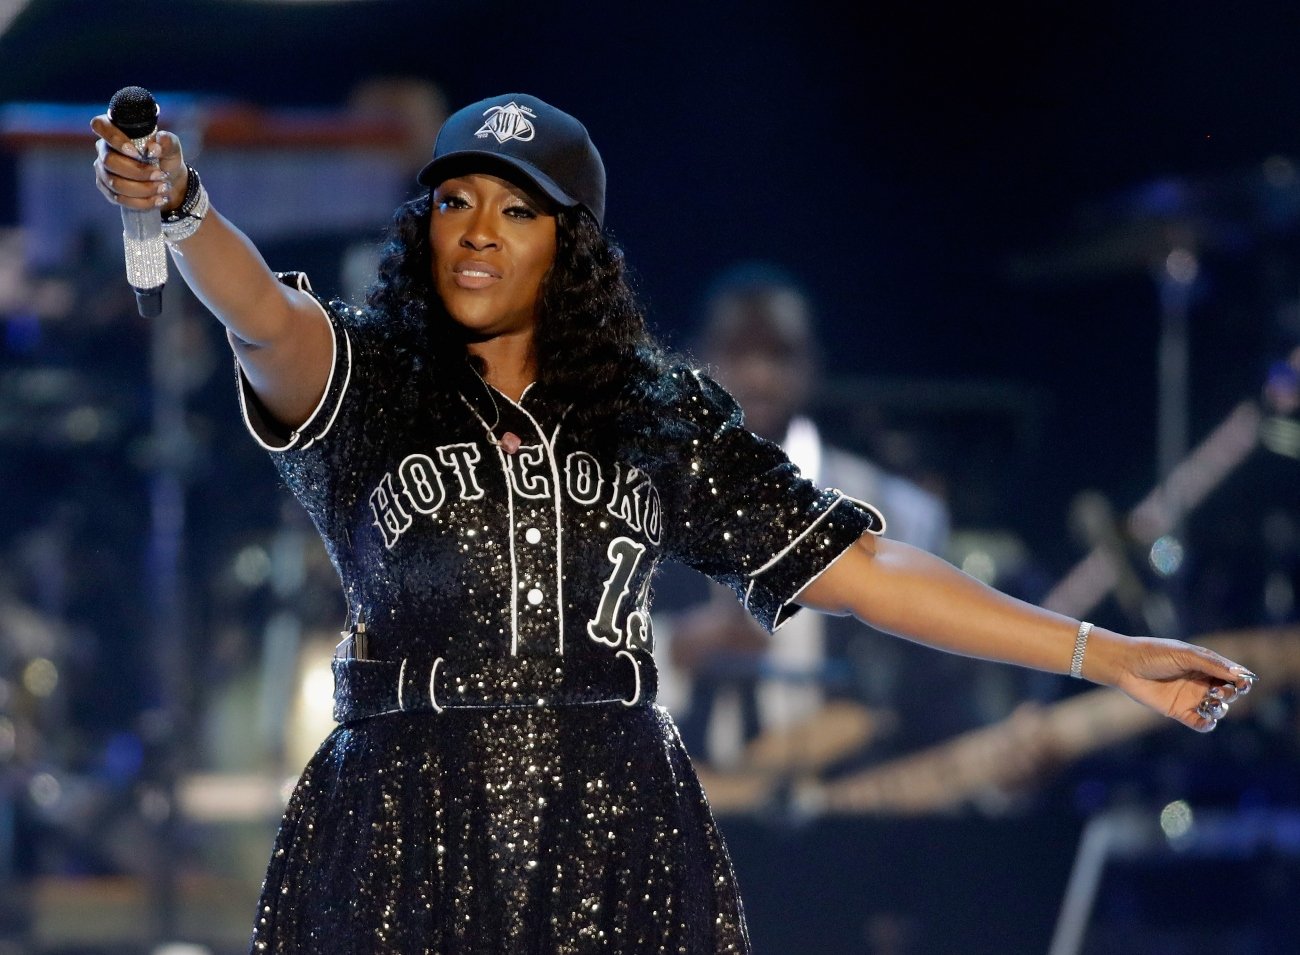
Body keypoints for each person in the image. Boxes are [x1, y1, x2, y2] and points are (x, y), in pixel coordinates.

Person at [92, 92, 1258, 954]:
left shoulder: (656, 410)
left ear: (574, 245)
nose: (478, 230)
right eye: (453, 200)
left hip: (614, 819)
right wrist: (187, 210)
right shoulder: (369, 375)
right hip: (401, 812)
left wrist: (1097, 652)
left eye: (517, 208)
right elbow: (258, 318)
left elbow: (857, 564)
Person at [660, 263, 956, 766]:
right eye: (737, 351)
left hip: (840, 795)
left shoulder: (887, 509)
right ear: (698, 359)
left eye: (779, 354)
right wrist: (675, 647)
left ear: (812, 365)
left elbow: (921, 680)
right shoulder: (634, 497)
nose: (758, 374)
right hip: (669, 793)